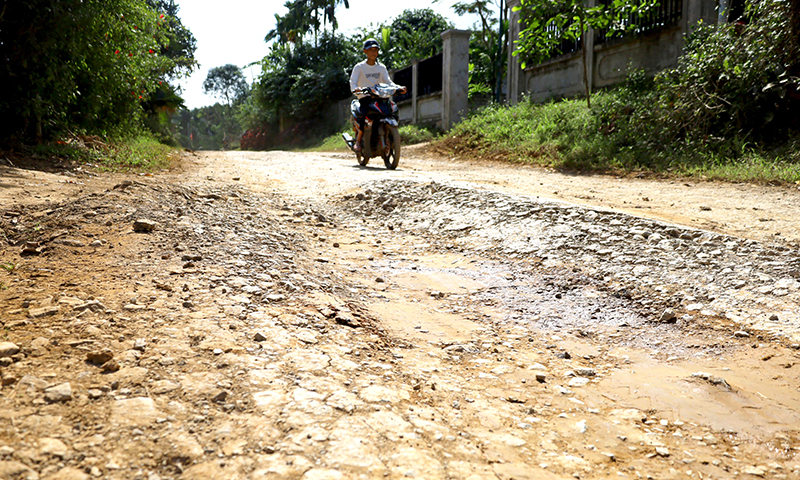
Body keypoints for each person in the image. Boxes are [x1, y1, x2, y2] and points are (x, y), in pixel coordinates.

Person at [349, 38, 406, 152]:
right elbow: (353, 82)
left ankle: (391, 135)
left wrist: (398, 87)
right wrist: (356, 89)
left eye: (376, 50)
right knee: (364, 113)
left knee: (393, 109)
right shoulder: (359, 67)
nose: (374, 52)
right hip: (365, 98)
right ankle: (359, 141)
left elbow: (388, 82)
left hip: (380, 97)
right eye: (371, 50)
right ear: (365, 51)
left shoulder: (381, 67)